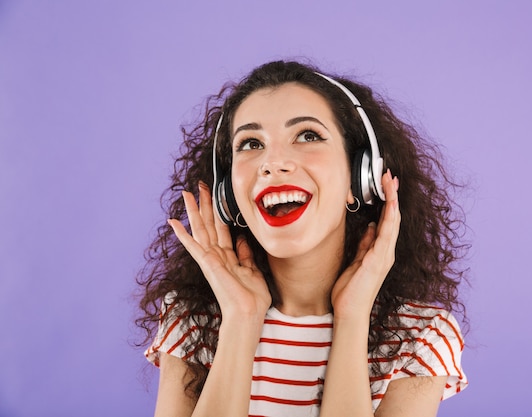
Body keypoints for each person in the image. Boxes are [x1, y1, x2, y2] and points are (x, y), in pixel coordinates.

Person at [136, 60, 469, 417]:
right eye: (250, 143)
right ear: (228, 195)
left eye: (308, 135)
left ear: (360, 177)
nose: (273, 162)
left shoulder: (419, 338)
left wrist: (353, 316)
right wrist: (241, 317)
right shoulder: (192, 321)